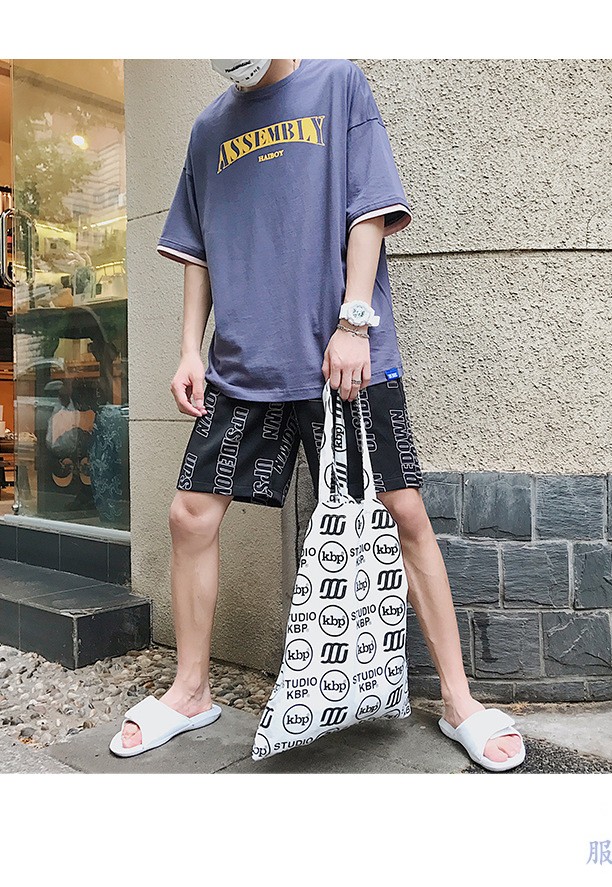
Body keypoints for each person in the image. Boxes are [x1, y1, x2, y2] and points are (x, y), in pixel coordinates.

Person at [110, 58, 525, 772]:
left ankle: (460, 701)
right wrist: (187, 350)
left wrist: (355, 322)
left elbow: (369, 210)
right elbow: (198, 251)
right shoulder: (208, 126)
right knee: (190, 515)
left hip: (342, 357)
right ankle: (190, 690)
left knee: (404, 510)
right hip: (244, 363)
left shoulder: (338, 84)